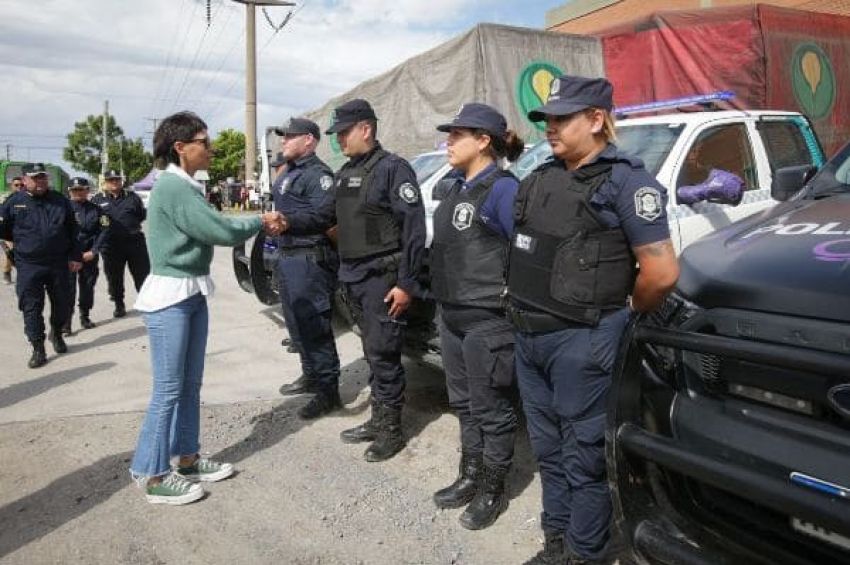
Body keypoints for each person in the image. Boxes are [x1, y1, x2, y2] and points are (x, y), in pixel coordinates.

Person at [508, 76, 679, 564]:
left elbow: (662, 272)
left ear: (597, 119)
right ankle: (556, 543)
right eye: (548, 119)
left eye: (563, 118)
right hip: (530, 337)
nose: (551, 128)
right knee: (549, 453)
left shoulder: (628, 182)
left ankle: (586, 554)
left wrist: (630, 310)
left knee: (583, 458)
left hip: (582, 340)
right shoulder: (542, 176)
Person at [129, 111, 284, 505]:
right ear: (180, 147)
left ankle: (186, 458)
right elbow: (216, 229)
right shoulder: (173, 188)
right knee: (168, 389)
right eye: (204, 141)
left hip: (190, 293)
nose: (211, 148)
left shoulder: (186, 186)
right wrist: (259, 221)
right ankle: (151, 473)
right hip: (170, 298)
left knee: (189, 384)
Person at [280, 99, 427, 462]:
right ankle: (377, 420)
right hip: (354, 279)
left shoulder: (393, 169)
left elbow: (413, 231)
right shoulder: (346, 173)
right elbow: (322, 215)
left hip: (382, 278)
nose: (339, 140)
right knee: (372, 352)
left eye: (344, 133)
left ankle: (391, 430)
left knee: (385, 355)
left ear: (366, 129)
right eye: (336, 134)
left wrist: (407, 284)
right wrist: (287, 222)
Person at [428, 103, 525, 531]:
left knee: (492, 409)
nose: (447, 142)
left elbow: (525, 254)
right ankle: (469, 473)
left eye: (457, 134)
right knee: (464, 405)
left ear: (484, 140)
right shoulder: (454, 187)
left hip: (488, 319)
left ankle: (492, 486)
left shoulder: (502, 189)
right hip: (451, 314)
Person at [271, 118, 342, 419]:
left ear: (310, 140)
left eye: (290, 137)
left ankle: (329, 391)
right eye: (283, 136)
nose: (283, 141)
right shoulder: (291, 172)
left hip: (309, 258)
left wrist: (288, 222)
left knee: (314, 325)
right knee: (295, 323)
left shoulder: (319, 175)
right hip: (288, 257)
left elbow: (324, 215)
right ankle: (310, 373)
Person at [0, 163, 82, 368]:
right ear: (25, 180)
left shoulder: (60, 201)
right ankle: (38, 347)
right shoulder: (14, 202)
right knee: (31, 306)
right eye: (35, 178)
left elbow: (73, 231)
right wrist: (17, 250)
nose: (40, 182)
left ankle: (56, 333)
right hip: (29, 264)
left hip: (58, 262)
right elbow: (4, 230)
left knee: (62, 303)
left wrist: (75, 256)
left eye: (43, 177)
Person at [92, 169, 149, 317]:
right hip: (111, 246)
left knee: (142, 274)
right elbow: (95, 222)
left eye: (117, 179)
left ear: (121, 181)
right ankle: (119, 304)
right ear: (105, 182)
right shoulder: (97, 200)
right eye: (111, 180)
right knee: (114, 277)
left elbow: (141, 215)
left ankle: (146, 303)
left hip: (134, 242)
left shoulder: (133, 197)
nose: (114, 182)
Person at [65, 177, 107, 332]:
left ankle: (85, 316)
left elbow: (104, 230)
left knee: (87, 288)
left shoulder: (97, 210)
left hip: (88, 255)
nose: (78, 193)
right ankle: (66, 322)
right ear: (69, 191)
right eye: (75, 190)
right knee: (67, 289)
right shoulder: (62, 208)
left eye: (81, 189)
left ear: (87, 191)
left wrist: (94, 250)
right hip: (68, 257)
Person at [1, 176, 23, 284]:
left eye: (21, 185)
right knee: (10, 252)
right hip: (9, 233)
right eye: (16, 185)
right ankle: (6, 272)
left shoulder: (28, 198)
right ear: (12, 186)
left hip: (24, 232)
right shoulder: (7, 200)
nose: (19, 187)